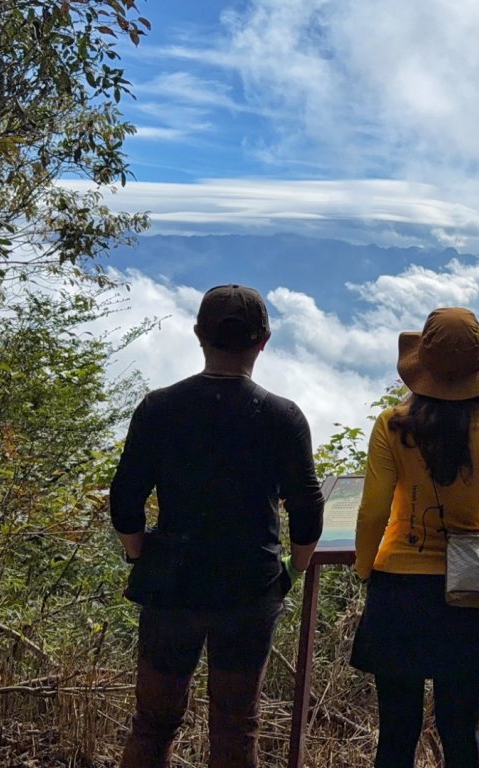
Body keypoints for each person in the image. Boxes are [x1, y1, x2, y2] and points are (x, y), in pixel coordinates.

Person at [110, 284, 324, 768]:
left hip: (171, 581)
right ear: (263, 341)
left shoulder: (159, 408)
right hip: (249, 585)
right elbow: (307, 508)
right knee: (235, 724)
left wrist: (139, 552)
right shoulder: (281, 416)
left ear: (198, 335)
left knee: (153, 722)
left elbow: (125, 498)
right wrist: (295, 567)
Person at [351, 307, 479, 768]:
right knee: (460, 730)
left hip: (397, 587)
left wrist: (363, 568)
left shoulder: (393, 426)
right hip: (468, 592)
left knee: (396, 732)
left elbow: (373, 510)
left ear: (422, 367)